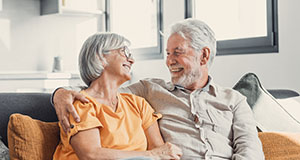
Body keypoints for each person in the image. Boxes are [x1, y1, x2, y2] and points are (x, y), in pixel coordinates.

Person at [52, 19, 265, 159]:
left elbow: (250, 150)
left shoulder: (234, 101)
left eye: (177, 53)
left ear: (204, 56)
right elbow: (100, 93)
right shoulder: (149, 90)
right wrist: (59, 93)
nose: (169, 61)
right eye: (167, 54)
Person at [52, 33, 182, 160]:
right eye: (124, 52)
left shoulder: (138, 104)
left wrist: (156, 154)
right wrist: (151, 155)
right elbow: (91, 155)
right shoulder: (81, 104)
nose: (131, 60)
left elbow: (161, 152)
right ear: (100, 58)